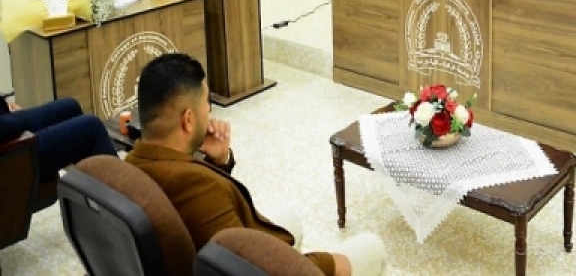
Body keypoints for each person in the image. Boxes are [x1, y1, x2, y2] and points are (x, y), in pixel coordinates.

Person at [126, 53, 387, 276]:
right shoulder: (195, 186)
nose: (209, 111)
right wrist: (327, 264)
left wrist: (219, 161)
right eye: (207, 103)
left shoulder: (134, 164)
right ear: (188, 120)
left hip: (195, 253)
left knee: (288, 219)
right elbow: (242, 262)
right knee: (371, 248)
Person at [0, 95, 117, 183]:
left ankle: (95, 195)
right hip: (11, 159)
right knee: (92, 127)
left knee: (71, 106)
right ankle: (123, 196)